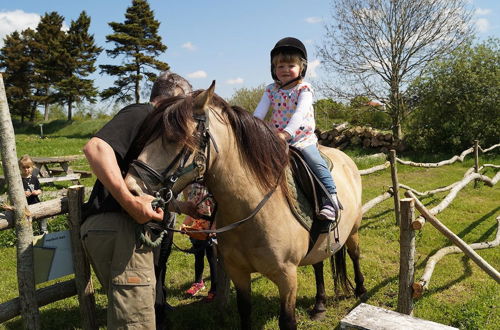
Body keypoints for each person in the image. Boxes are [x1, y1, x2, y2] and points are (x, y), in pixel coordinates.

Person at [80, 71, 197, 330]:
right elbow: (96, 148)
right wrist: (131, 205)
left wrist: (179, 207)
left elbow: (143, 190)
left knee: (129, 312)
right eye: (185, 103)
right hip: (121, 227)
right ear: (173, 96)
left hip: (121, 228)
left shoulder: (153, 127)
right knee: (134, 322)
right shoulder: (141, 112)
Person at [253, 37, 340, 221]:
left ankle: (331, 198)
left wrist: (287, 133)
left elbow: (299, 115)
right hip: (275, 138)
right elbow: (259, 112)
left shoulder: (304, 89)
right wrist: (250, 129)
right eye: (280, 66)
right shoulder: (271, 89)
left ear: (301, 68)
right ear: (273, 69)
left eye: (290, 66)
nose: (285, 70)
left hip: (301, 138)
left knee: (314, 160)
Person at [180, 183, 217, 302]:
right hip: (197, 231)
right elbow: (191, 212)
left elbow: (218, 213)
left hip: (210, 231)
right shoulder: (193, 191)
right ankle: (198, 283)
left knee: (212, 259)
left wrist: (213, 229)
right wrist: (185, 225)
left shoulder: (214, 192)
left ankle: (214, 289)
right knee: (198, 257)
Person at [19, 155, 46, 233]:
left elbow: (39, 189)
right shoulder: (19, 179)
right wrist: (23, 193)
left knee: (43, 214)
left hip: (35, 201)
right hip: (25, 204)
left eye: (28, 167)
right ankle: (30, 232)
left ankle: (43, 230)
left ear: (32, 167)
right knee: (26, 219)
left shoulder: (34, 178)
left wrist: (36, 192)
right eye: (23, 167)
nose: (26, 169)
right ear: (20, 168)